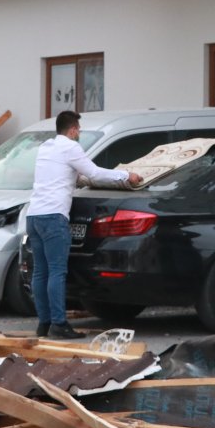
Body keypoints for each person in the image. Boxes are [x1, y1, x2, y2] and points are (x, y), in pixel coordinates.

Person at [26, 110, 142, 339]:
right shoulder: (71, 147)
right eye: (78, 129)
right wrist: (126, 175)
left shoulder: (46, 147)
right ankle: (59, 325)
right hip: (54, 217)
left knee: (40, 272)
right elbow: (95, 173)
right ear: (72, 130)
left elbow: (59, 174)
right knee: (57, 272)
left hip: (34, 216)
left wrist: (73, 178)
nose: (78, 133)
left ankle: (44, 323)